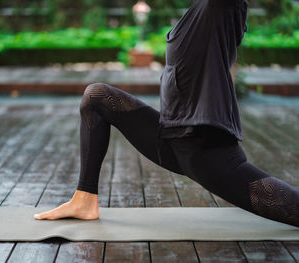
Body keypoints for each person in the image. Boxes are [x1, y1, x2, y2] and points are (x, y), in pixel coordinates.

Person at [35, 0, 299, 227]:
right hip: (168, 138)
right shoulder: (197, 11)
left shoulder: (218, 7)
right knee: (97, 97)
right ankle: (84, 199)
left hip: (205, 149)